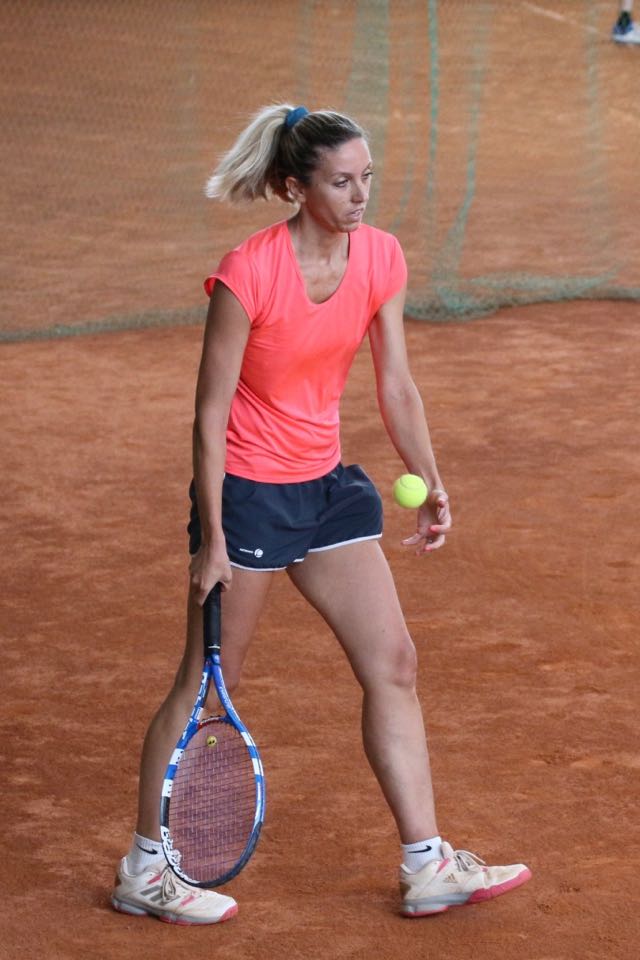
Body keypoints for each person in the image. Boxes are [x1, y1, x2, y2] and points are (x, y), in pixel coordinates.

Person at [111, 103, 532, 924]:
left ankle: (426, 863)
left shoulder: (380, 257)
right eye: (341, 182)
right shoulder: (249, 273)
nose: (359, 195)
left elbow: (395, 382)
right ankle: (144, 870)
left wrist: (430, 477)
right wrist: (213, 540)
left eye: (366, 177)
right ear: (294, 187)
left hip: (326, 487)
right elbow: (208, 414)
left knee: (395, 661)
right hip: (250, 496)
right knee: (207, 681)